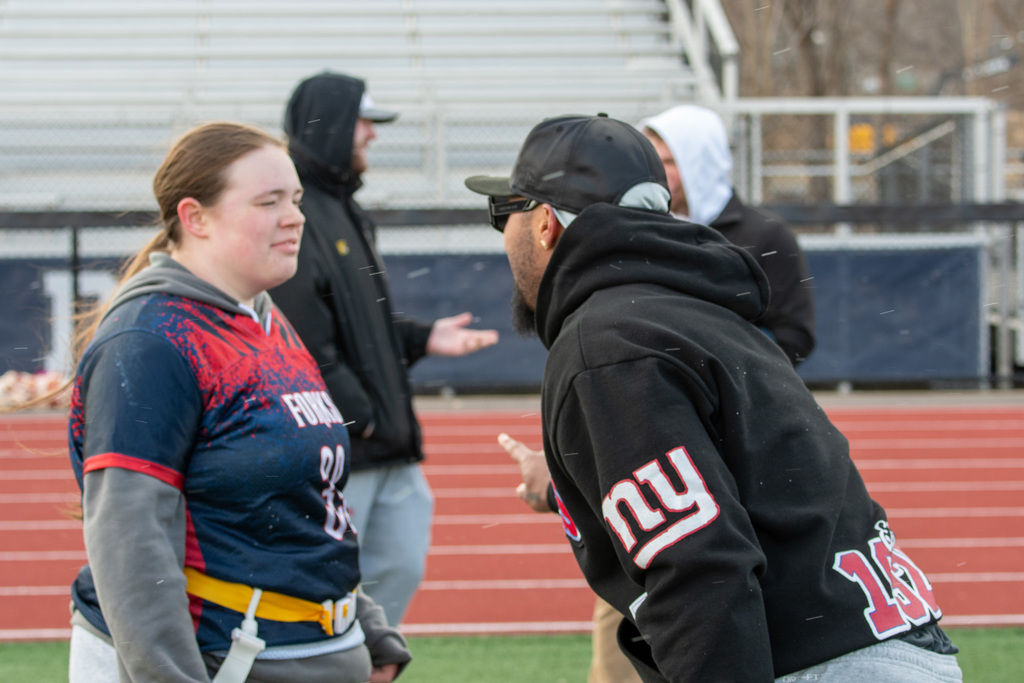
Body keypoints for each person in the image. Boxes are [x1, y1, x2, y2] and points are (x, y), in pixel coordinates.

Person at [469, 114, 962, 682]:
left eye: (504, 213)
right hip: (881, 640)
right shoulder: (700, 311)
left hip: (819, 663)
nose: (503, 233)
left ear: (546, 224)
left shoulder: (608, 343)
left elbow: (700, 569)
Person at [66, 121, 410, 683]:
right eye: (268, 201)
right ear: (194, 217)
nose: (295, 216)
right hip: (225, 656)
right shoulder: (151, 341)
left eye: (295, 199)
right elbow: (130, 544)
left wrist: (364, 626)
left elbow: (302, 504)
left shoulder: (265, 320)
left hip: (306, 650)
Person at [269, 72, 499, 627]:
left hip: (387, 446)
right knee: (332, 594)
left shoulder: (344, 208)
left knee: (393, 576)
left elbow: (358, 322)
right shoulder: (294, 213)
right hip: (348, 454)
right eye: (362, 122)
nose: (371, 134)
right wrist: (362, 418)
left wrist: (421, 337)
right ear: (332, 127)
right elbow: (301, 335)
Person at [640, 104, 815, 366]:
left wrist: (720, 364)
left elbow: (794, 336)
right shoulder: (647, 233)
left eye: (669, 162)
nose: (659, 174)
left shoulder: (768, 235)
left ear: (701, 163)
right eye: (654, 161)